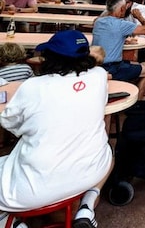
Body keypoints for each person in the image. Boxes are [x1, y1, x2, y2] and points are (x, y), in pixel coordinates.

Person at [0, 30, 113, 228]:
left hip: (34, 190)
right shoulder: (99, 76)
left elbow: (10, 124)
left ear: (49, 58)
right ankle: (86, 207)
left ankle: (12, 224)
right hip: (90, 172)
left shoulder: (32, 87)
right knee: (108, 151)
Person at [92, 0, 145, 98]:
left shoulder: (98, 22)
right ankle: (135, 105)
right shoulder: (122, 24)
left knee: (134, 63)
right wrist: (139, 17)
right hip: (112, 67)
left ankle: (125, 91)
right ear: (122, 9)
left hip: (95, 65)